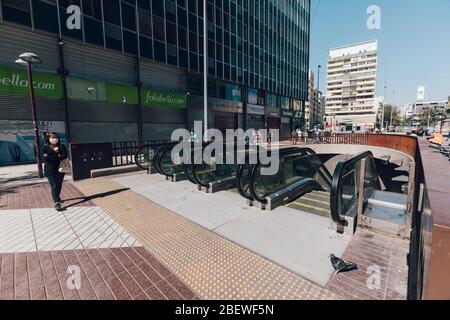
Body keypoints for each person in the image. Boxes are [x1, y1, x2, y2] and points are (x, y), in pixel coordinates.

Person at [42, 132, 67, 211]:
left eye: (56, 137)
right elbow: (46, 158)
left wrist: (54, 156)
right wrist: (58, 155)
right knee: (54, 185)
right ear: (48, 139)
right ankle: (57, 203)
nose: (55, 139)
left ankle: (57, 197)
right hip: (50, 170)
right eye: (52, 137)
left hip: (61, 169)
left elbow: (64, 156)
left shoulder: (62, 146)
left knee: (59, 185)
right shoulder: (44, 148)